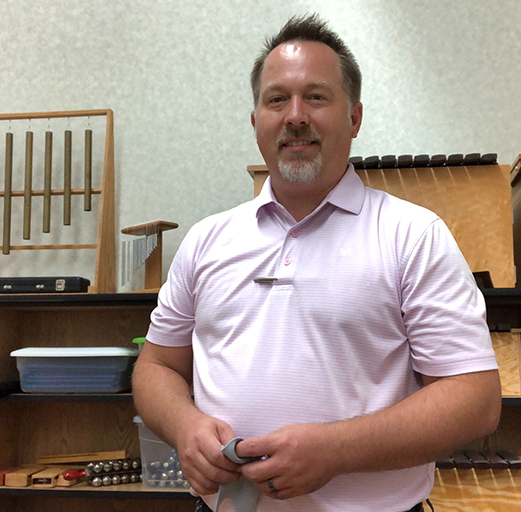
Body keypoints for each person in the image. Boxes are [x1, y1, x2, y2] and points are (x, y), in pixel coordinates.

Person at [133, 13, 501, 512]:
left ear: (354, 117)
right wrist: (185, 426)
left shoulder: (411, 235)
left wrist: (335, 451)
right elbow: (156, 366)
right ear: (255, 119)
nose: (295, 115)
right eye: (277, 99)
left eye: (317, 96)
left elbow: (474, 399)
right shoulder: (207, 240)